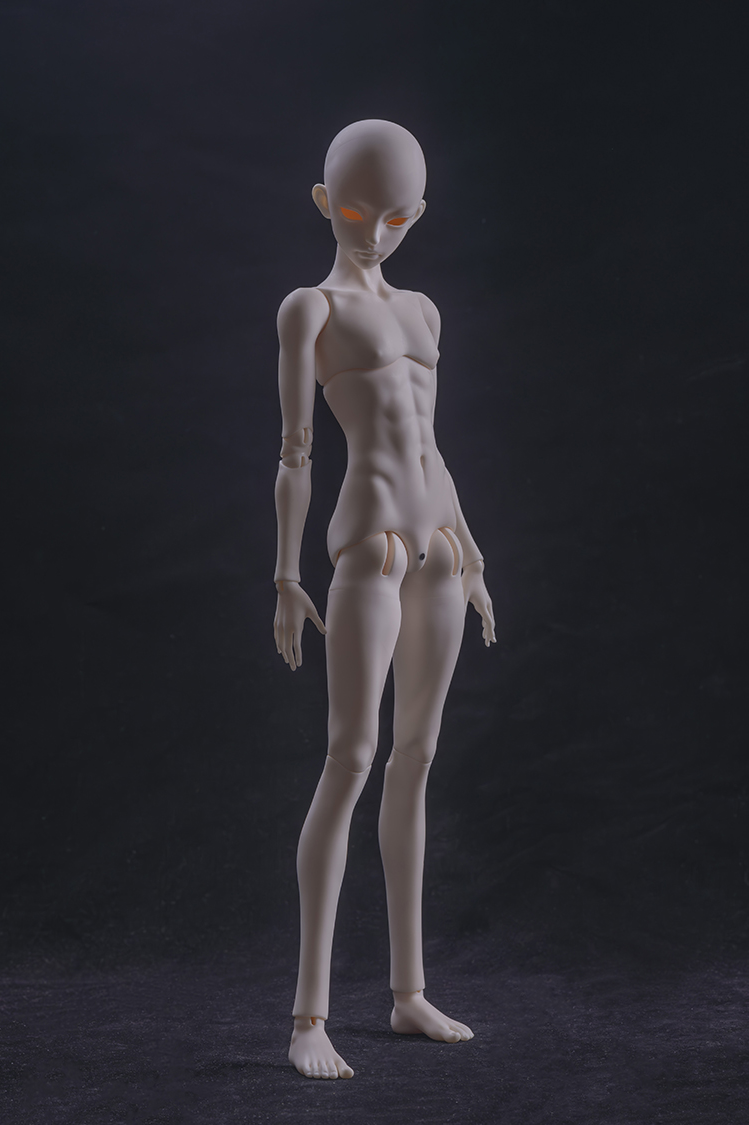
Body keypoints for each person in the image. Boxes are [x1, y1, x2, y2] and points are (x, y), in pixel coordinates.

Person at [273, 119, 495, 1079]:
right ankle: (308, 1015)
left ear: (419, 215)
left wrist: (472, 549)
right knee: (351, 757)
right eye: (358, 212)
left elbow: (430, 443)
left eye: (396, 217)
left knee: (418, 757)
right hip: (368, 546)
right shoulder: (310, 309)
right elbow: (295, 453)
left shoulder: (425, 312)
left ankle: (407, 992)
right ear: (325, 203)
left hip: (438, 545)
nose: (374, 233)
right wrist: (286, 573)